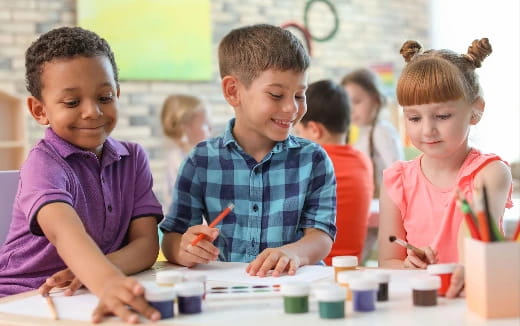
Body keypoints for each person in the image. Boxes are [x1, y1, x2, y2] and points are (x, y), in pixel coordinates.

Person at [0, 27, 164, 323]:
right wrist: (108, 281)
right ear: (39, 110)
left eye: (104, 96)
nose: (92, 112)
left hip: (86, 292)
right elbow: (65, 232)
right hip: (23, 299)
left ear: (117, 93)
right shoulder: (43, 164)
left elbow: (146, 245)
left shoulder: (133, 157)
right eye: (72, 103)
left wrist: (94, 274)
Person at [160, 24, 336, 277]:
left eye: (299, 95)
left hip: (294, 286)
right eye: (276, 95)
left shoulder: (313, 159)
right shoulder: (201, 161)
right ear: (233, 91)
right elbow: (173, 236)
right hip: (228, 290)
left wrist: (294, 253)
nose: (291, 108)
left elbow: (321, 235)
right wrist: (183, 248)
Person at [378, 38, 513, 284]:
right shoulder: (396, 181)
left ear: (476, 111)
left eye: (442, 116)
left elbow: (474, 241)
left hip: (478, 295)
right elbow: (387, 261)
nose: (427, 129)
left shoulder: (490, 173)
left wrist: (459, 269)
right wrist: (408, 266)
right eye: (414, 118)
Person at [294, 80, 373, 264]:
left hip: (312, 270)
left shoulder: (308, 164)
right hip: (349, 270)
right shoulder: (363, 162)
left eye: (299, 132)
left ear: (314, 130)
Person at [341, 68, 404, 263]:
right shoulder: (363, 133)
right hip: (370, 208)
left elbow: (397, 171)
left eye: (357, 101)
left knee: (356, 258)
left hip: (381, 208)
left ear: (376, 100)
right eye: (347, 102)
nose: (351, 109)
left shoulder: (381, 131)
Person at [160, 94, 211, 208]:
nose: (210, 128)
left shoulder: (190, 156)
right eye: (205, 124)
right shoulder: (179, 161)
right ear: (185, 128)